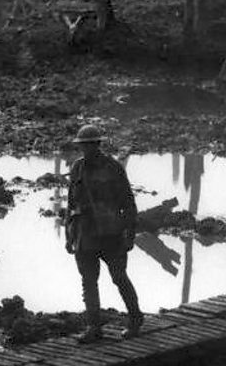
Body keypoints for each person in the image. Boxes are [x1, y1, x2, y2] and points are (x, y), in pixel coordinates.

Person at [65, 124, 143, 343]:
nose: (86, 149)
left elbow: (128, 203)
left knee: (119, 277)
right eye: (83, 145)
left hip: (111, 234)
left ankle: (135, 319)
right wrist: (69, 235)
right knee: (88, 282)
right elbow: (71, 203)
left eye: (90, 145)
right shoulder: (77, 168)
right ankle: (94, 327)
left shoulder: (113, 167)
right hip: (85, 234)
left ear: (98, 144)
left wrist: (130, 234)